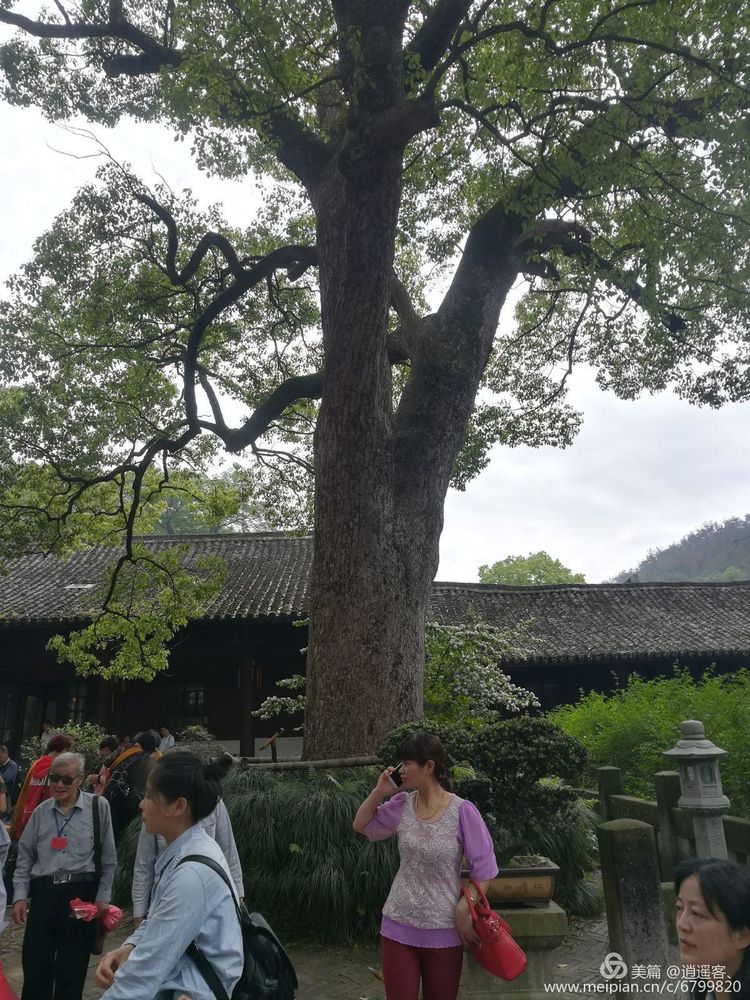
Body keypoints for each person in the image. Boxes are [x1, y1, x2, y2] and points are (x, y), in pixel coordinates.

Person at [353, 732, 498, 1000]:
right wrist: (379, 792)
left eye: (407, 763)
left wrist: (465, 906)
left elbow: (486, 869)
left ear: (429, 767)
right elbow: (361, 825)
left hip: (444, 930)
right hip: (398, 924)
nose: (401, 770)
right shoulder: (401, 805)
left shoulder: (462, 811)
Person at [95, 751, 243, 1000]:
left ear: (179, 806)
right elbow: (157, 920)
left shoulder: (191, 875)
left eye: (150, 796)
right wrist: (129, 947)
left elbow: (141, 978)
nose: (141, 804)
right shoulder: (187, 850)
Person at [11, 751, 117, 1000]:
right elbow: (25, 857)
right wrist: (19, 896)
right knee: (36, 967)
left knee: (71, 971)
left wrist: (103, 898)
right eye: (54, 778)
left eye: (66, 779)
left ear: (79, 779)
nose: (58, 785)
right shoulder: (41, 812)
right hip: (45, 894)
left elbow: (109, 859)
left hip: (80, 897)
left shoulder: (97, 807)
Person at [131, 790, 244, 927]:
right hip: (165, 904)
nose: (141, 804)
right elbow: (143, 866)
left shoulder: (213, 804)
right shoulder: (156, 807)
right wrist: (139, 914)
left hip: (207, 906)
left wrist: (238, 900)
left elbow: (229, 854)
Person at [675, 858, 750, 997]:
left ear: (742, 936)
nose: (681, 924)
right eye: (679, 908)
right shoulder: (699, 988)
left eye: (696, 913)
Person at [11, 733, 75, 840]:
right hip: (48, 820)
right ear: (63, 749)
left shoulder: (36, 764)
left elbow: (25, 792)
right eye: (67, 750)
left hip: (29, 816)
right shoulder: (58, 768)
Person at [103, 730, 159, 839]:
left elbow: (107, 762)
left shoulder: (123, 749)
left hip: (110, 795)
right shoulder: (146, 759)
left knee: (108, 832)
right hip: (128, 804)